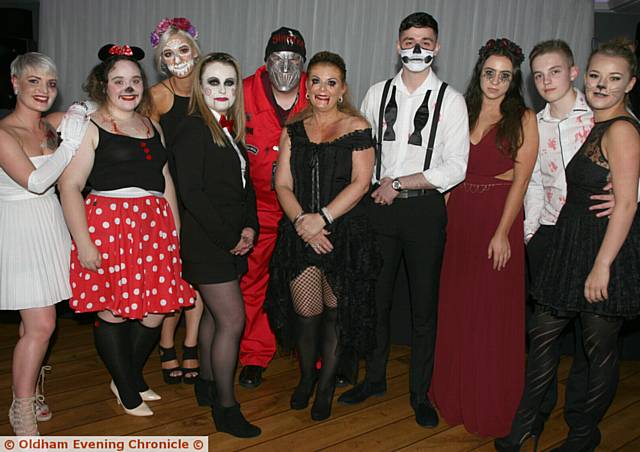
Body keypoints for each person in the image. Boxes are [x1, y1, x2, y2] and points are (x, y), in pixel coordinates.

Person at [496, 38, 640, 452]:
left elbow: (627, 199)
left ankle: (582, 435)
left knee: (596, 351)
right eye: (597, 76)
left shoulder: (621, 127)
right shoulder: (596, 124)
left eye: (614, 79)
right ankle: (527, 423)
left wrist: (603, 265)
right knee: (542, 336)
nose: (602, 85)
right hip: (562, 244)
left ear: (630, 83)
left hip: (601, 248)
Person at [338, 12, 470, 428]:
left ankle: (421, 394)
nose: (417, 48)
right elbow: (363, 153)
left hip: (424, 211)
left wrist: (400, 182)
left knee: (423, 308)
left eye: (425, 41)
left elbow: (456, 167)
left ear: (437, 47)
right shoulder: (377, 94)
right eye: (410, 40)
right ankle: (374, 380)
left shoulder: (451, 99)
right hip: (378, 206)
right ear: (397, 45)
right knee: (375, 302)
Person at [59, 43, 196, 417]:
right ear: (104, 85)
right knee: (115, 311)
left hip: (153, 228)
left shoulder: (152, 126)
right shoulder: (90, 127)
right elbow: (69, 185)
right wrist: (83, 242)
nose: (129, 87)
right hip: (109, 226)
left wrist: (175, 231)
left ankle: (126, 375)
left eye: (135, 79)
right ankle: (127, 384)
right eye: (119, 80)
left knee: (156, 310)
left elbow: (164, 178)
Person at [429, 38, 538, 437]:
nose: (495, 81)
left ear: (514, 80)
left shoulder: (524, 117)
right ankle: (454, 395)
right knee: (457, 309)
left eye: (504, 76)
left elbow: (521, 179)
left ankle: (489, 400)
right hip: (458, 218)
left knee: (491, 315)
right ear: (480, 74)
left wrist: (503, 232)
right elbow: (444, 166)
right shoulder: (461, 108)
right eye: (489, 73)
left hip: (496, 218)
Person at [266, 50, 379, 422]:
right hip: (300, 233)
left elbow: (362, 184)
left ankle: (327, 384)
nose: (323, 89)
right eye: (315, 81)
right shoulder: (292, 129)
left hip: (345, 236)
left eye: (331, 82)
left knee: (334, 316)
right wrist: (303, 221)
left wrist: (323, 218)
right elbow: (281, 182)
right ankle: (305, 378)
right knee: (306, 314)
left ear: (342, 88)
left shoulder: (357, 127)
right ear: (306, 85)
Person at [172, 52, 260, 438]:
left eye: (228, 82)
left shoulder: (229, 128)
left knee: (212, 316)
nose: (221, 90)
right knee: (232, 320)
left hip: (228, 237)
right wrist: (229, 238)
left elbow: (245, 188)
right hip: (208, 242)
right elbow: (192, 193)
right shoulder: (193, 128)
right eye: (213, 82)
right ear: (200, 86)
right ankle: (226, 407)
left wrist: (251, 228)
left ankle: (206, 385)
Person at [0, 52, 88, 435]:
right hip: (19, 230)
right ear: (15, 83)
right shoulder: (3, 133)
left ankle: (30, 388)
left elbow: (93, 109)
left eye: (50, 83)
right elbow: (35, 182)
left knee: (31, 323)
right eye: (34, 81)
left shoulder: (51, 125)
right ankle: (21, 409)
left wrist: (83, 109)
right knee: (42, 324)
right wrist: (69, 145)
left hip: (51, 227)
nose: (44, 90)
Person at [239, 26, 308, 388]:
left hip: (303, 207)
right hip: (259, 207)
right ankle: (254, 354)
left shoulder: (318, 92)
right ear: (265, 62)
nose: (286, 68)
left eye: (294, 60)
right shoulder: (241, 92)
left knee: (311, 280)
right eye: (278, 59)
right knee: (252, 282)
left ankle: (314, 355)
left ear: (304, 64)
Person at [149, 16, 204, 386]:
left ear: (195, 50)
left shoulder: (212, 87)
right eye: (169, 53)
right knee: (174, 275)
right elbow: (149, 150)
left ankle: (192, 343)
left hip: (205, 195)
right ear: (162, 61)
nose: (178, 58)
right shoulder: (158, 96)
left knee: (201, 275)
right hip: (172, 195)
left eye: (183, 49)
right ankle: (166, 345)